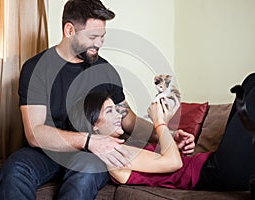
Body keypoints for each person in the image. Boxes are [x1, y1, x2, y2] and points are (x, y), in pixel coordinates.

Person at [0, 0, 195, 199]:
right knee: (16, 169)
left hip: (90, 155)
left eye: (102, 36)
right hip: (46, 151)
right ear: (69, 30)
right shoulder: (36, 68)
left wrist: (168, 135)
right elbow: (35, 133)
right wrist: (89, 141)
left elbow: (130, 121)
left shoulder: (106, 71)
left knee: (85, 173)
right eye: (93, 37)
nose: (99, 43)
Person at [71, 73, 255, 191]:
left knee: (250, 82)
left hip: (213, 165)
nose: (120, 113)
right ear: (93, 125)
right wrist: (160, 123)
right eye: (109, 111)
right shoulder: (114, 154)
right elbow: (173, 163)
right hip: (216, 173)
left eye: (116, 108)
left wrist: (176, 144)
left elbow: (170, 162)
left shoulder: (120, 148)